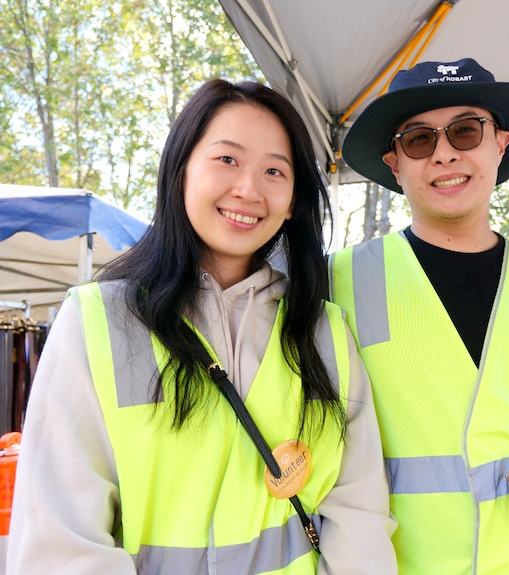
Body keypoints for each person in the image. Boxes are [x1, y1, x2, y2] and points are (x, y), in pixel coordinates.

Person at [7, 80, 397, 574]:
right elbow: (59, 542)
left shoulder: (324, 331)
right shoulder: (96, 322)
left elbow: (358, 513)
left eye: (274, 170)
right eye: (227, 160)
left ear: (294, 199)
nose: (249, 190)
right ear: (180, 171)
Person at [331, 58, 509, 574]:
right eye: (418, 139)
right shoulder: (340, 282)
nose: (443, 152)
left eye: (465, 131)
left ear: (500, 144)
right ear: (394, 162)